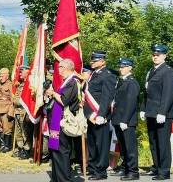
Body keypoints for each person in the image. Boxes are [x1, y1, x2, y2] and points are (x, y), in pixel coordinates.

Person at [141, 44, 173, 180]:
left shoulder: (168, 71)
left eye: (158, 55)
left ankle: (164, 171)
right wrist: (143, 109)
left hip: (162, 115)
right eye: (154, 55)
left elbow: (168, 94)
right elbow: (147, 93)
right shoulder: (151, 71)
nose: (155, 57)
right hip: (151, 113)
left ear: (165, 56)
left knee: (163, 143)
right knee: (154, 142)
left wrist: (162, 112)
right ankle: (156, 167)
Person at [84, 50, 116, 180]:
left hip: (99, 116)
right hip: (91, 115)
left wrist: (102, 114)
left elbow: (107, 97)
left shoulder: (108, 75)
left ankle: (101, 171)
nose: (92, 62)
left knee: (101, 145)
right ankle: (93, 167)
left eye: (95, 60)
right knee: (91, 143)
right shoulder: (94, 75)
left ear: (103, 61)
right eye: (92, 60)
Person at [47, 59, 81, 182]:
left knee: (62, 151)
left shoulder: (73, 82)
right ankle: (56, 178)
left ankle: (63, 179)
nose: (58, 70)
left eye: (60, 67)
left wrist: (53, 93)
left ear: (67, 68)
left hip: (62, 121)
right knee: (55, 150)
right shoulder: (65, 82)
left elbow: (64, 100)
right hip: (56, 120)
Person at [112, 58, 140, 181]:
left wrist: (125, 120)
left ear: (130, 68)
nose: (121, 69)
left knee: (130, 148)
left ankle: (133, 172)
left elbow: (131, 103)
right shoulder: (122, 81)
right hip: (119, 119)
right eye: (120, 67)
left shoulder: (132, 83)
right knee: (124, 147)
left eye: (124, 67)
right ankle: (126, 169)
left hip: (126, 121)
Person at [12, 64, 34, 159]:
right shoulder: (21, 84)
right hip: (17, 111)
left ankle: (27, 149)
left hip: (24, 112)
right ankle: (20, 148)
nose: (19, 73)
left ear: (28, 72)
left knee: (26, 132)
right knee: (18, 131)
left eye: (22, 71)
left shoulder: (29, 84)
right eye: (20, 71)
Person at [0, 68, 13, 153]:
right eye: (0, 76)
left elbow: (13, 99)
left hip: (6, 109)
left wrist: (11, 111)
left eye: (2, 76)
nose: (0, 78)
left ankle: (7, 146)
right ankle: (2, 145)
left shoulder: (10, 85)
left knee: (7, 128)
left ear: (7, 76)